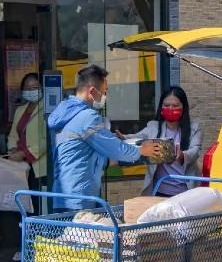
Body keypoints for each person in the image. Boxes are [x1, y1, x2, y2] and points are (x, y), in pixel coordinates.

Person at [48, 64, 161, 211]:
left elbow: (79, 152)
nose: (104, 97)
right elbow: (117, 149)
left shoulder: (64, 112)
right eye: (104, 92)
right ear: (92, 91)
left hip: (62, 195)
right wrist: (142, 150)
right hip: (80, 198)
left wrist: (108, 145)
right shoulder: (88, 117)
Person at [117, 86, 202, 197]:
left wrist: (182, 155)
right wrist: (122, 137)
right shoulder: (154, 126)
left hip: (187, 193)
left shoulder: (194, 128)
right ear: (161, 107)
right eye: (166, 105)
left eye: (175, 105)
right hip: (159, 191)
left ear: (183, 107)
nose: (170, 109)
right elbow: (137, 138)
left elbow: (195, 151)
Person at [6, 73, 46, 262]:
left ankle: (36, 248)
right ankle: (25, 246)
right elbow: (13, 134)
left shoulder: (47, 108)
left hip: (37, 166)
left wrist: (26, 153)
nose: (31, 91)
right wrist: (13, 149)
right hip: (20, 167)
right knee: (21, 208)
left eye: (35, 87)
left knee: (36, 208)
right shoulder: (20, 110)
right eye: (28, 88)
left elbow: (46, 139)